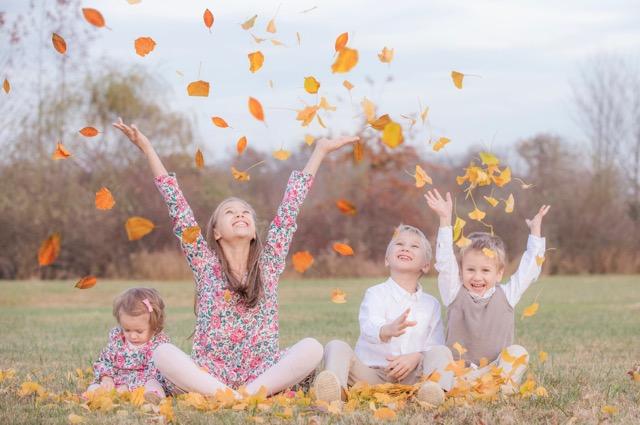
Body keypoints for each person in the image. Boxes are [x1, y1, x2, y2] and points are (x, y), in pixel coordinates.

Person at [113, 118, 358, 396]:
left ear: (254, 231)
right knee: (163, 353)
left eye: (245, 212)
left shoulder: (269, 264)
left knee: (312, 348)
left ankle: (243, 396)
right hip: (210, 374)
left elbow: (290, 208)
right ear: (216, 232)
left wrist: (320, 152)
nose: (240, 214)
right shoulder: (205, 265)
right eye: (230, 212)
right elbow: (177, 205)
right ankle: (228, 396)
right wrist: (147, 149)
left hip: (262, 373)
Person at [314, 224, 453, 406]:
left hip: (414, 376)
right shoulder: (375, 294)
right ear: (387, 259)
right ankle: (335, 393)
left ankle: (433, 394)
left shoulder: (431, 304)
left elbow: (434, 344)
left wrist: (417, 357)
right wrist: (387, 330)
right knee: (336, 346)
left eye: (414, 246)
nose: (405, 248)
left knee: (442, 351)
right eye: (399, 243)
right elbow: (369, 327)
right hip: (371, 375)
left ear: (426, 265)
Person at [425, 188, 549, 390]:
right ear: (461, 270)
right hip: (456, 372)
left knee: (518, 352)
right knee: (436, 352)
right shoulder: (453, 292)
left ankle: (503, 387)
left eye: (485, 270)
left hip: (491, 372)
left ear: (499, 273)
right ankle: (438, 389)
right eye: (470, 269)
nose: (477, 276)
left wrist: (535, 233)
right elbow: (445, 261)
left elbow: (529, 270)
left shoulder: (507, 295)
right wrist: (445, 220)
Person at [87, 287, 170, 404]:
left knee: (153, 384)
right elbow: (104, 361)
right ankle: (99, 395)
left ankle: (151, 398)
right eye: (127, 330)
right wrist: (106, 377)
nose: (133, 336)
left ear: (154, 325)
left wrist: (129, 387)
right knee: (94, 387)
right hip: (116, 381)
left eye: (139, 331)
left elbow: (154, 372)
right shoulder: (118, 340)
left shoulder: (157, 344)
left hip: (143, 382)